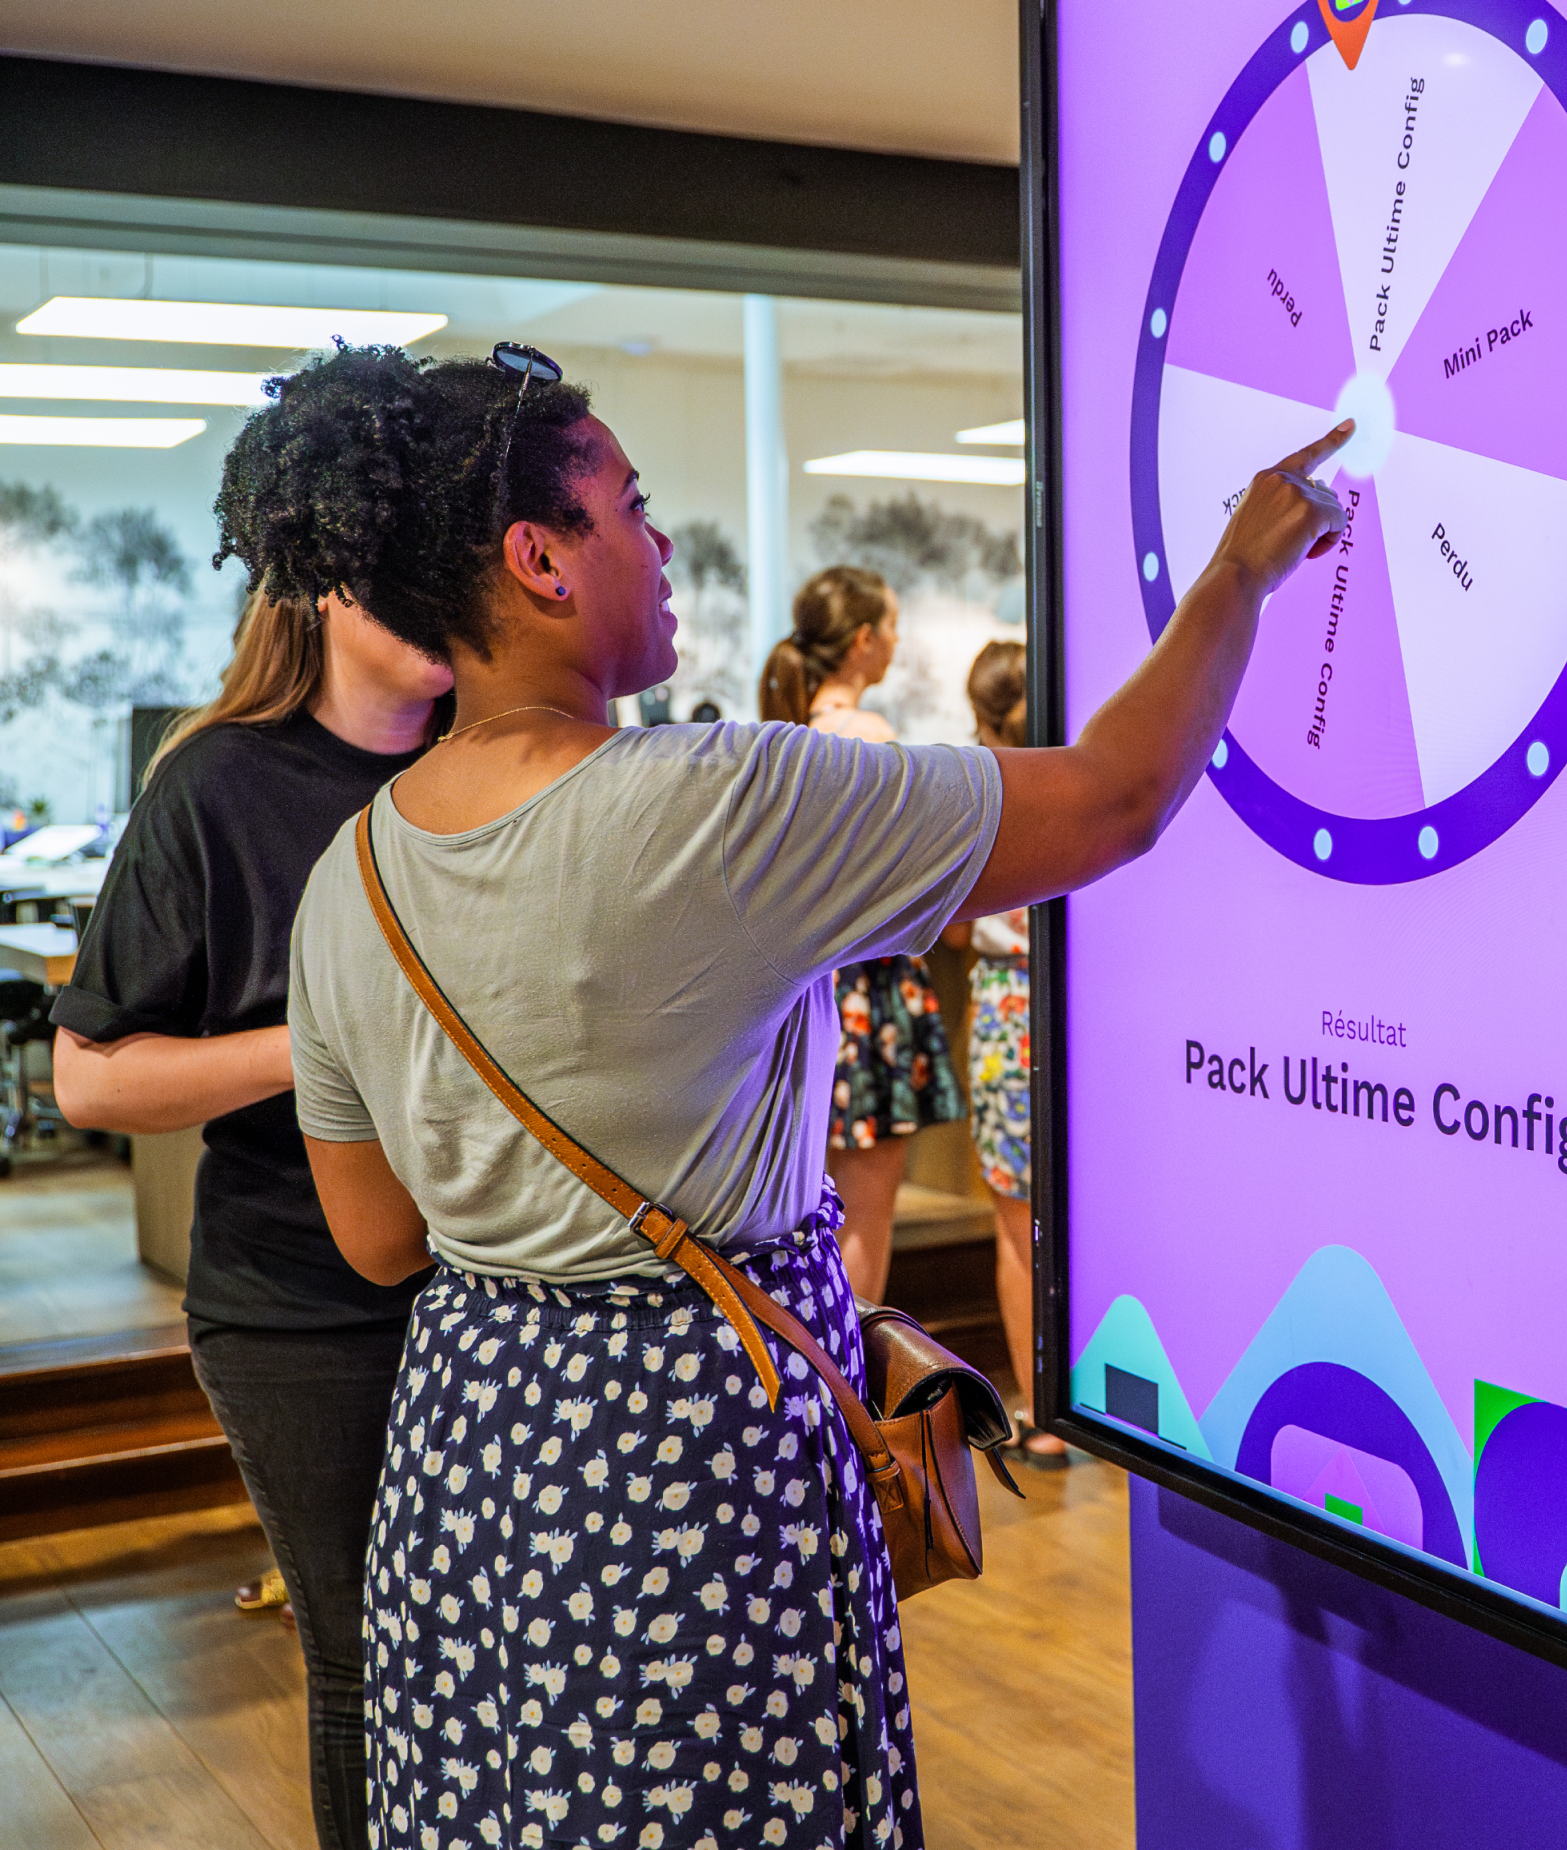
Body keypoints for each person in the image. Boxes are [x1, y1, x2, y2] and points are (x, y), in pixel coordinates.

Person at [222, 342, 1344, 1850]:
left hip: (467, 1458)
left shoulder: (347, 881)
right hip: (691, 1448)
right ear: (540, 559)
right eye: (631, 505)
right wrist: (1240, 571)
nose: (664, 539)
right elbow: (1116, 798)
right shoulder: (714, 802)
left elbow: (375, 1239)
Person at [50, 582, 454, 1850]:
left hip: (496, 1285)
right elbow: (94, 1074)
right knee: (364, 1653)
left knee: (485, 1649)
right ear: (330, 588)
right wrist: (314, 1042)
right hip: (300, 1304)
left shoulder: (495, 757)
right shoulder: (217, 779)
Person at [760, 567, 964, 1302]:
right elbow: (904, 884)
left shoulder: (784, 733)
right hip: (871, 997)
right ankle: (857, 1405)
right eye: (892, 627)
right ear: (864, 641)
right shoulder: (867, 736)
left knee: (816, 1218)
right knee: (864, 1225)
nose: (898, 642)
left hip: (807, 994)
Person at [941, 641, 1066, 1467]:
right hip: (1073, 1003)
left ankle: (1039, 1414)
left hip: (1002, 1006)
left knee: (1016, 1229)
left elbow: (948, 925)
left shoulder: (961, 792)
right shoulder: (1069, 779)